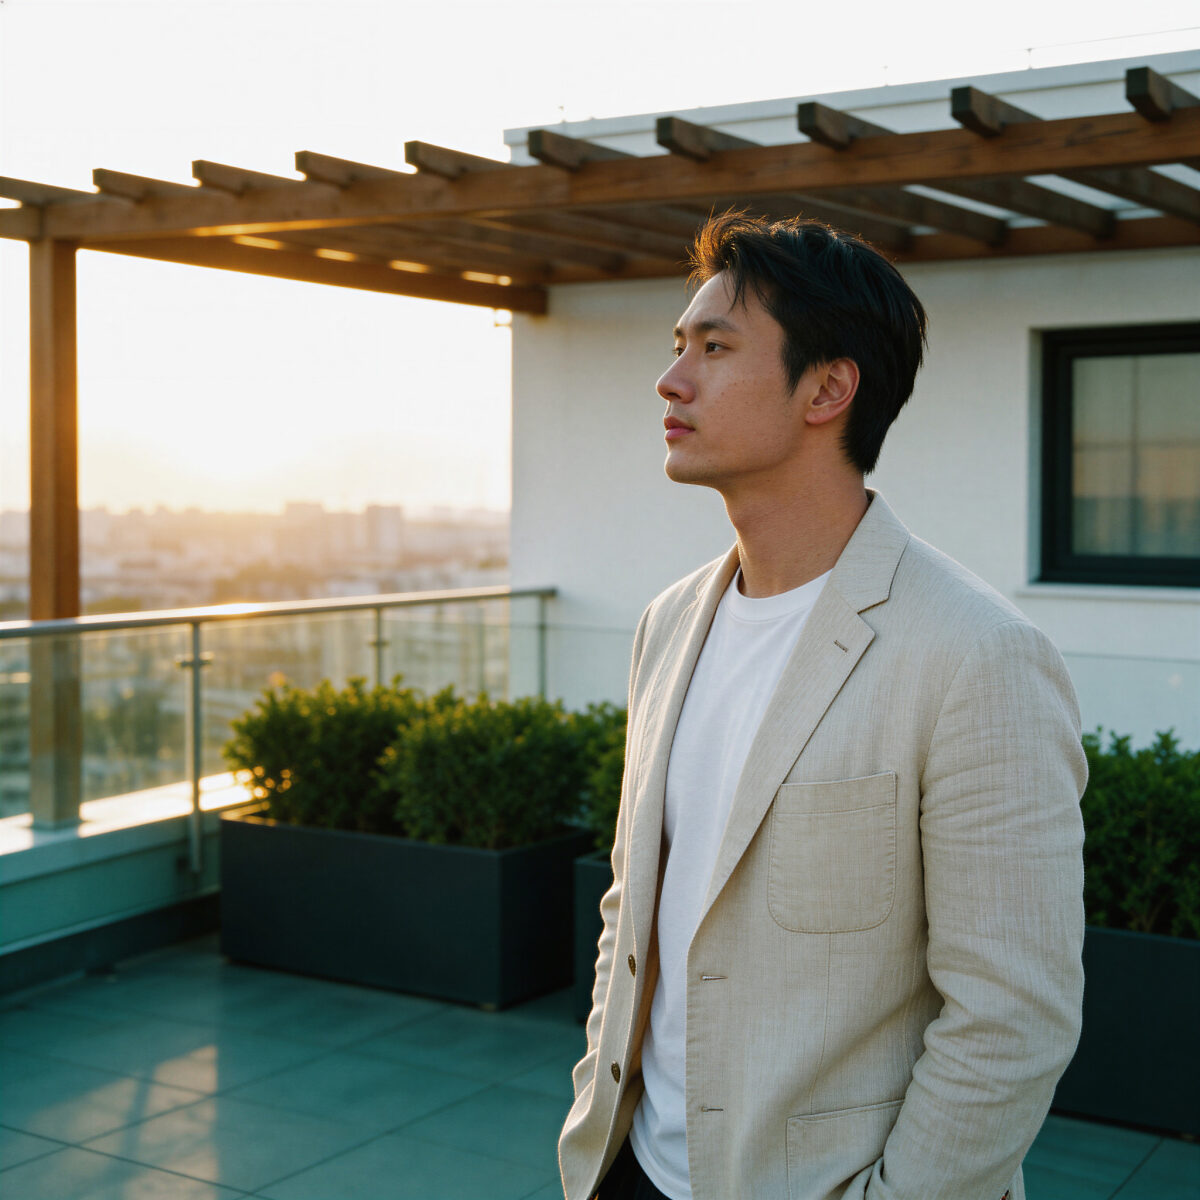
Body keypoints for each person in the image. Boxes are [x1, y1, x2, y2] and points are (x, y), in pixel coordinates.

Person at [557, 213, 1086, 1200]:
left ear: (829, 389)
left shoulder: (980, 656)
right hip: (630, 1174)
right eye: (679, 347)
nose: (672, 380)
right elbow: (635, 914)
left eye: (715, 348)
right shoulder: (668, 625)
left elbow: (1012, 1018)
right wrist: (598, 1117)